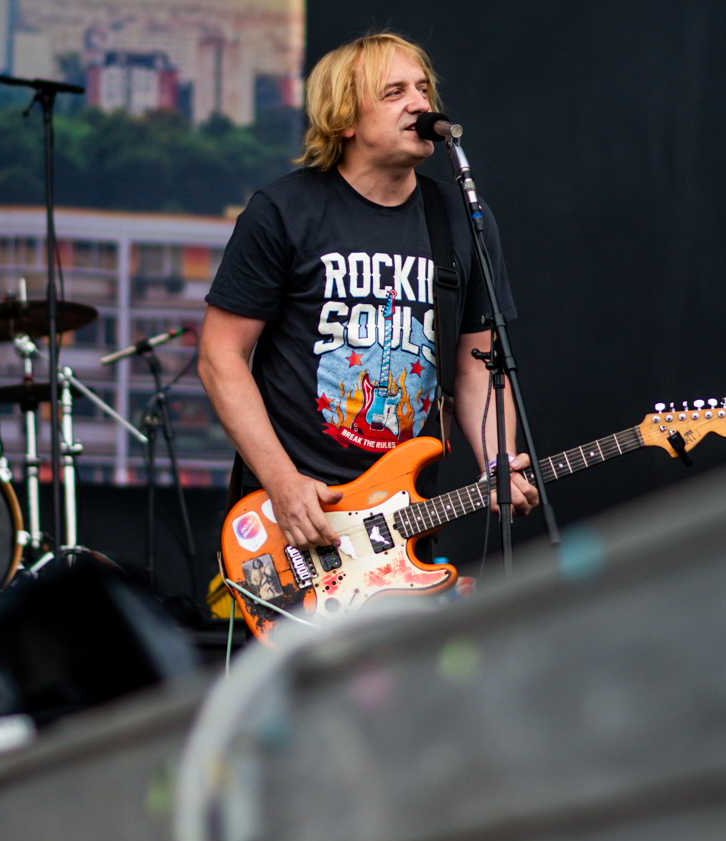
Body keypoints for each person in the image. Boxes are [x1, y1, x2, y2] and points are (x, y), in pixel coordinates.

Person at [198, 33, 539, 555]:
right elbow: (220, 356)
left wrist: (499, 463)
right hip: (294, 517)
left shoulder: (461, 219)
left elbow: (477, 368)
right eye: (394, 92)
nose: (420, 104)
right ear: (346, 119)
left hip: (403, 519)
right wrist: (282, 483)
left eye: (423, 89)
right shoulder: (284, 212)